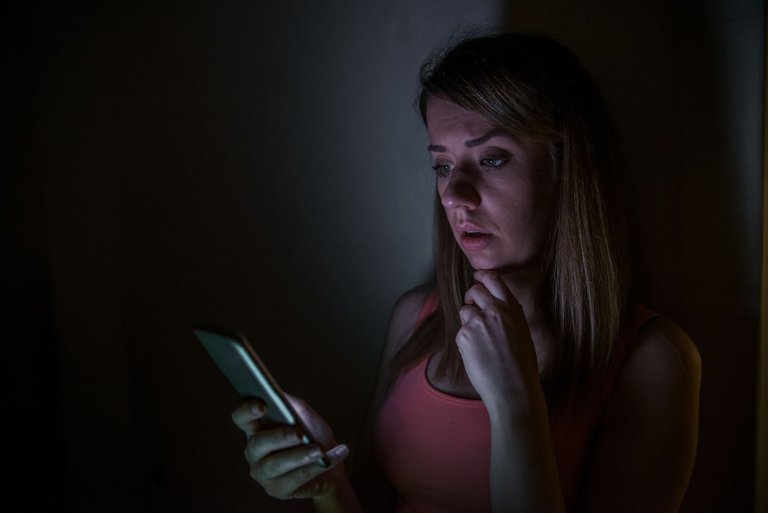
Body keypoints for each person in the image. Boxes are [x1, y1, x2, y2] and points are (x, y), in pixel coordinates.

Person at [230, 31, 701, 513]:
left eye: (492, 159)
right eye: (442, 166)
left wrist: (515, 404)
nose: (455, 194)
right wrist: (327, 483)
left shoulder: (653, 359)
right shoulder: (416, 317)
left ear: (568, 168)